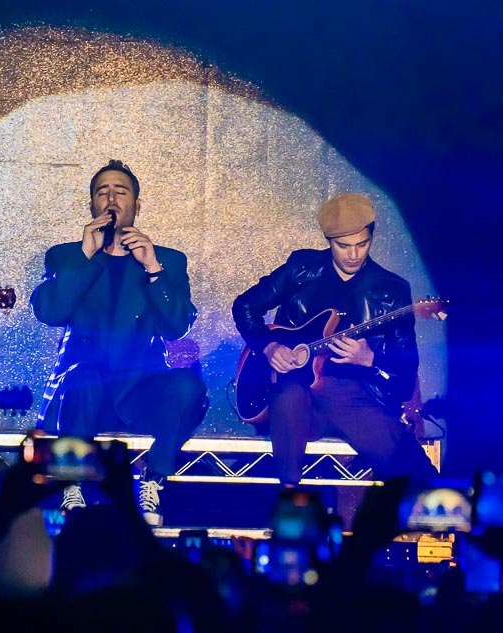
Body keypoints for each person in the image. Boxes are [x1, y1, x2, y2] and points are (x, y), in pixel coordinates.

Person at [30, 159, 208, 526]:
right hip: (81, 392)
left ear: (136, 205)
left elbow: (177, 327)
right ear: (92, 205)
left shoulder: (167, 260)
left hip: (138, 391)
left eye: (121, 192)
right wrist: (84, 256)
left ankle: (154, 480)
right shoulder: (66, 256)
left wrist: (153, 269)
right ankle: (72, 485)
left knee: (188, 384)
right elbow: (49, 311)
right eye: (103, 192)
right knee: (83, 375)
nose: (111, 199)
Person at [232, 192, 437, 486]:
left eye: (362, 244)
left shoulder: (391, 291)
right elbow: (245, 306)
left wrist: (370, 359)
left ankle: (436, 506)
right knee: (289, 393)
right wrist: (269, 346)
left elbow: (405, 374)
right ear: (329, 241)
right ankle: (291, 498)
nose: (354, 255)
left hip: (350, 397)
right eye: (343, 246)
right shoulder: (301, 269)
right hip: (292, 395)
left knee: (411, 468)